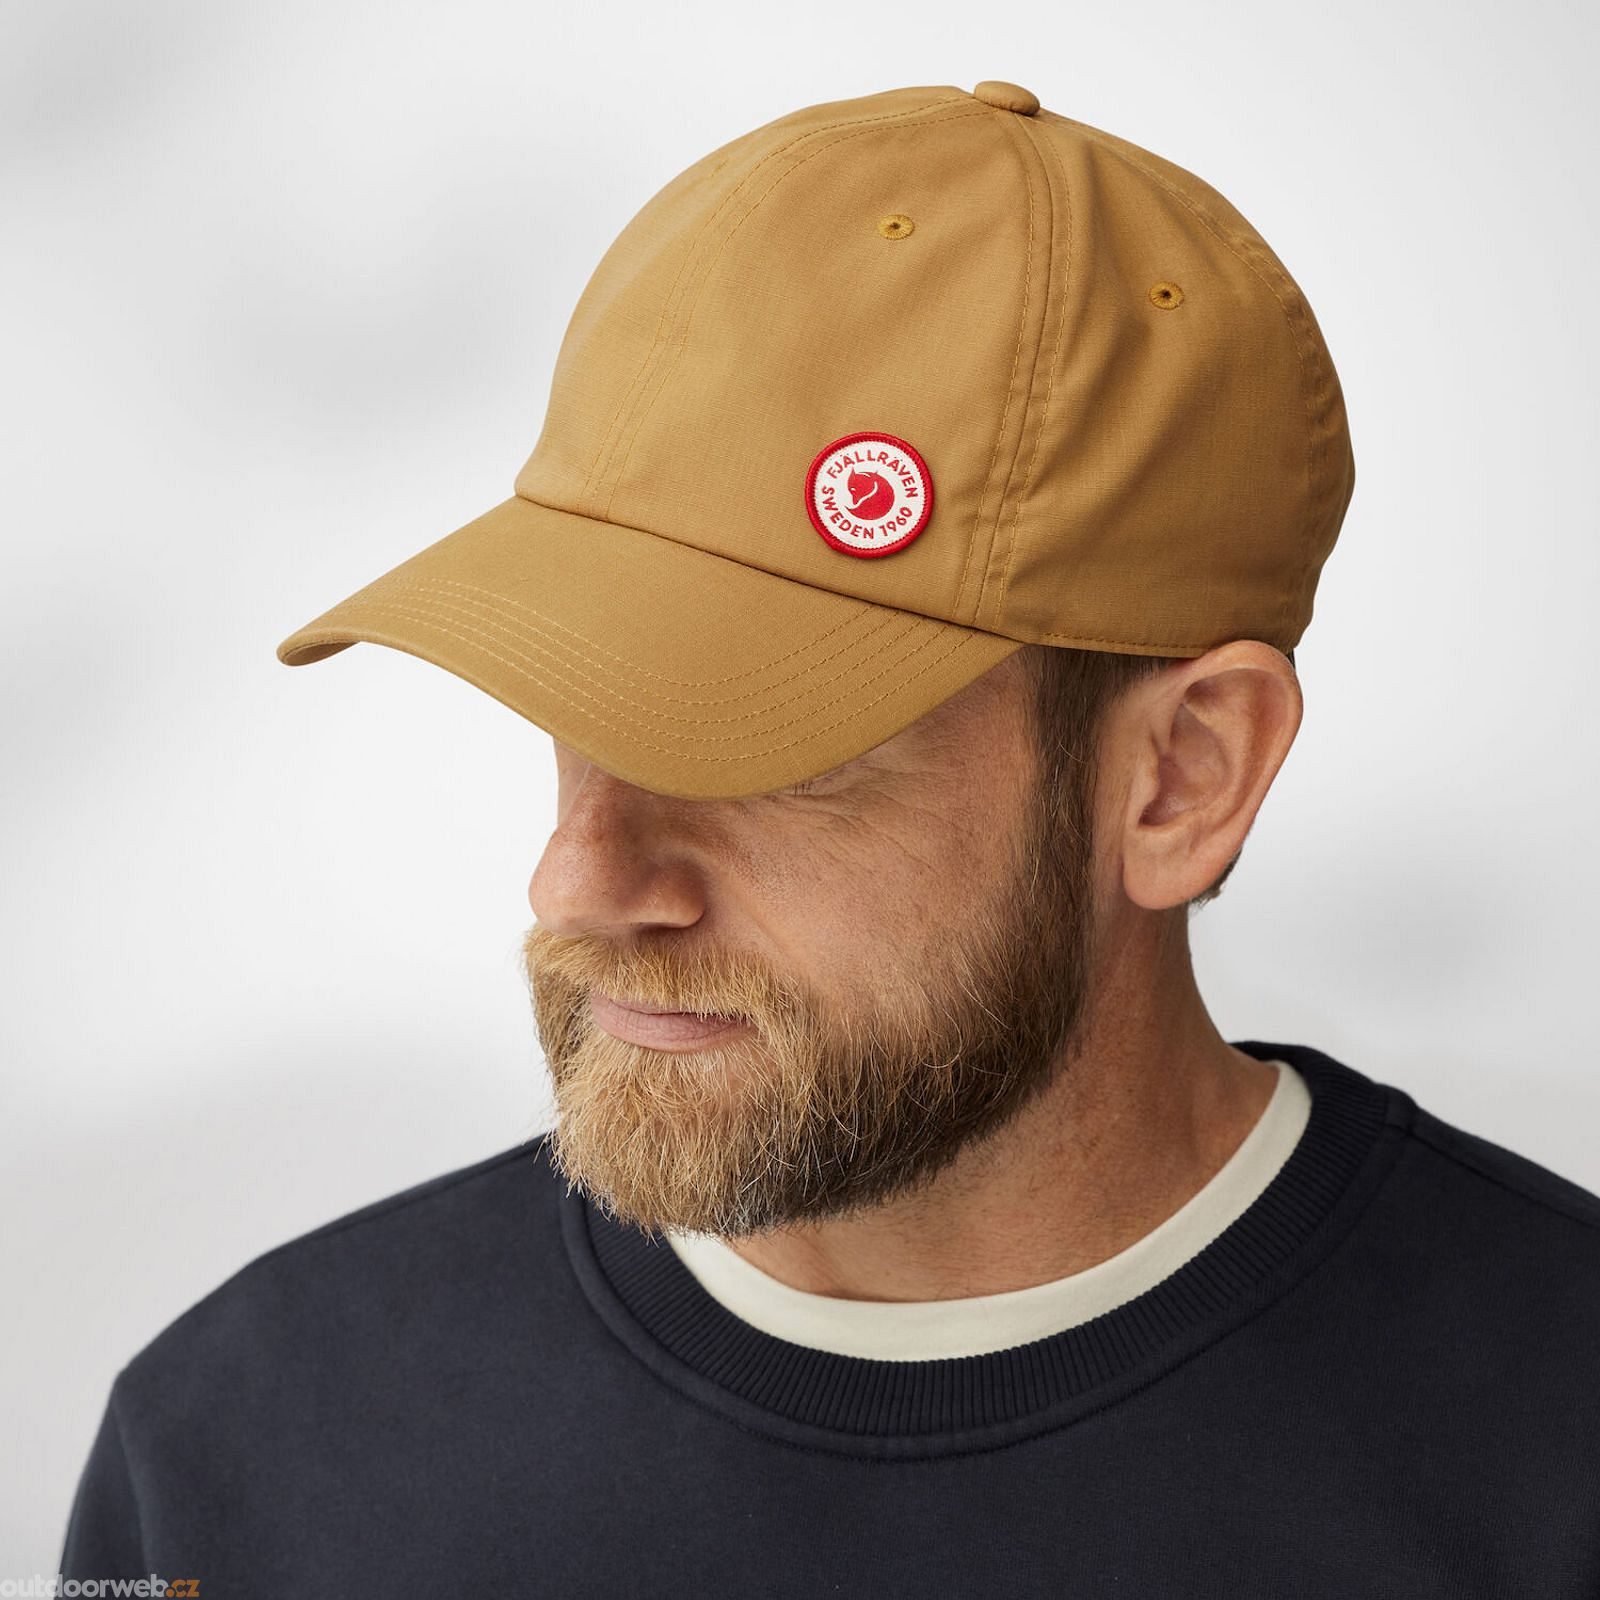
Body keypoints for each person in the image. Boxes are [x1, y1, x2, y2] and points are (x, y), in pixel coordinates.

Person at [62, 79, 1600, 1594]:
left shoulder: (1557, 1448)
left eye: (775, 748)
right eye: (577, 700)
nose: (577, 880)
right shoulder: (236, 1458)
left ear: (1183, 778)